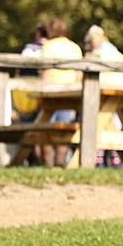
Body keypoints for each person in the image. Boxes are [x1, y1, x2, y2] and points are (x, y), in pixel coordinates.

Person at [39, 17, 82, 167]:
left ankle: (47, 163)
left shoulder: (49, 46)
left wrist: (41, 93)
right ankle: (60, 163)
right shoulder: (75, 47)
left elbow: (46, 71)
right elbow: (79, 74)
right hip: (69, 94)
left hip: (51, 92)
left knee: (46, 128)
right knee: (64, 129)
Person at [83, 25, 123, 167]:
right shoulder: (117, 54)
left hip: (99, 98)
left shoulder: (96, 55)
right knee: (113, 125)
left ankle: (96, 160)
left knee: (97, 126)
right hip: (120, 99)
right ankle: (116, 161)